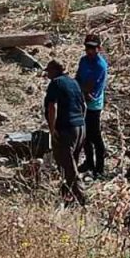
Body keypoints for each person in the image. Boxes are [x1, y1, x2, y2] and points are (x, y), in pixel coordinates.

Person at [43, 59, 88, 206]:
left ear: (55, 70)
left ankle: (83, 201)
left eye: (48, 71)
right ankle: (67, 196)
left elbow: (52, 106)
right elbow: (85, 106)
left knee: (68, 166)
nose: (47, 74)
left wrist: (52, 129)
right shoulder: (74, 83)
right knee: (70, 162)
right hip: (80, 127)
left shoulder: (56, 83)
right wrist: (80, 122)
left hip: (66, 129)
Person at [75, 33, 109, 177]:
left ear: (99, 48)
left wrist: (81, 91)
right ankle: (89, 162)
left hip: (93, 104)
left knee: (95, 136)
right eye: (87, 47)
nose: (89, 51)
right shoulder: (84, 61)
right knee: (85, 136)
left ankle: (100, 168)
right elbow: (78, 77)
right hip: (83, 100)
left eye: (92, 48)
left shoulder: (100, 66)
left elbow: (92, 89)